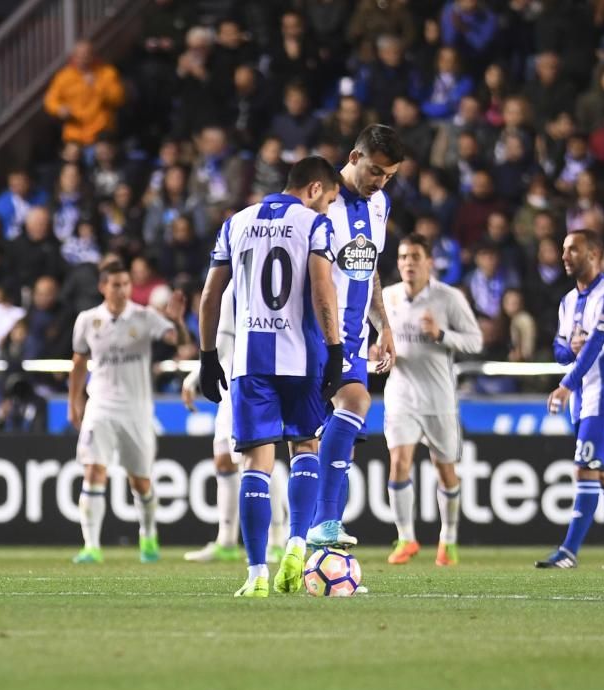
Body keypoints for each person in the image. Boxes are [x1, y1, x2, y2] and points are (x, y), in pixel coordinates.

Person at [198, 156, 343, 598]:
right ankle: (298, 541)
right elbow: (322, 287)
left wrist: (206, 355)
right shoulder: (315, 225)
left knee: (255, 463)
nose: (328, 210)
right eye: (330, 200)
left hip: (250, 362)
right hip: (302, 359)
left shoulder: (236, 223)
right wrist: (335, 348)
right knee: (306, 445)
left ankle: (257, 572)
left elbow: (210, 295)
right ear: (315, 189)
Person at [305, 124, 405, 549]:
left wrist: (383, 325)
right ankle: (322, 523)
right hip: (316, 331)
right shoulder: (320, 202)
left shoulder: (379, 204)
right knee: (351, 409)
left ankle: (314, 541)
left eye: (389, 176)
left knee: (334, 436)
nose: (381, 183)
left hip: (354, 336)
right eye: (377, 172)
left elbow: (369, 268)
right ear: (354, 158)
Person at [536, 229, 604, 569]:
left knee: (585, 469)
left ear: (594, 254)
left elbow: (597, 345)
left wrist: (567, 383)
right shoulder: (568, 302)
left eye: (574, 249)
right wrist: (567, 349)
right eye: (564, 249)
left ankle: (568, 552)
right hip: (581, 402)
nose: (565, 255)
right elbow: (559, 349)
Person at [68, 258, 190, 564]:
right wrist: (74, 401)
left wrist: (176, 320)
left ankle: (148, 534)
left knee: (140, 481)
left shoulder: (145, 316)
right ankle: (91, 546)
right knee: (94, 471)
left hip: (136, 410)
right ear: (102, 287)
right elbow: (79, 363)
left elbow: (181, 342)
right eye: (115, 284)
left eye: (125, 284)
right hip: (100, 406)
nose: (122, 290)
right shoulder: (87, 320)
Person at [382, 234, 482, 566]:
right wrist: (377, 350)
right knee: (399, 462)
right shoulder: (388, 297)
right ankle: (406, 538)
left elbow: (475, 342)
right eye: (403, 256)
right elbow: (378, 337)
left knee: (445, 470)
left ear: (429, 262)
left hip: (439, 397)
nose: (408, 262)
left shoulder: (448, 298)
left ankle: (448, 540)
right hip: (401, 394)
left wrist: (441, 335)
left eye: (415, 256)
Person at [182, 282, 288, 564]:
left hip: (251, 377)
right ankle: (226, 540)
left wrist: (196, 375)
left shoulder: (238, 285)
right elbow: (224, 343)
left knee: (255, 457)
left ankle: (278, 540)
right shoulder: (234, 284)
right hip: (231, 379)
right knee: (224, 460)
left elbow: (225, 341)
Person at [43, 40, 125, 146]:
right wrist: (59, 109)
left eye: (87, 55)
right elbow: (50, 100)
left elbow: (118, 98)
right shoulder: (63, 77)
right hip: (74, 131)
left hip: (101, 129)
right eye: (80, 55)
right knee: (70, 156)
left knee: (103, 152)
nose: (84, 59)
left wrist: (96, 86)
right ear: (73, 57)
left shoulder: (107, 73)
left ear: (93, 56)